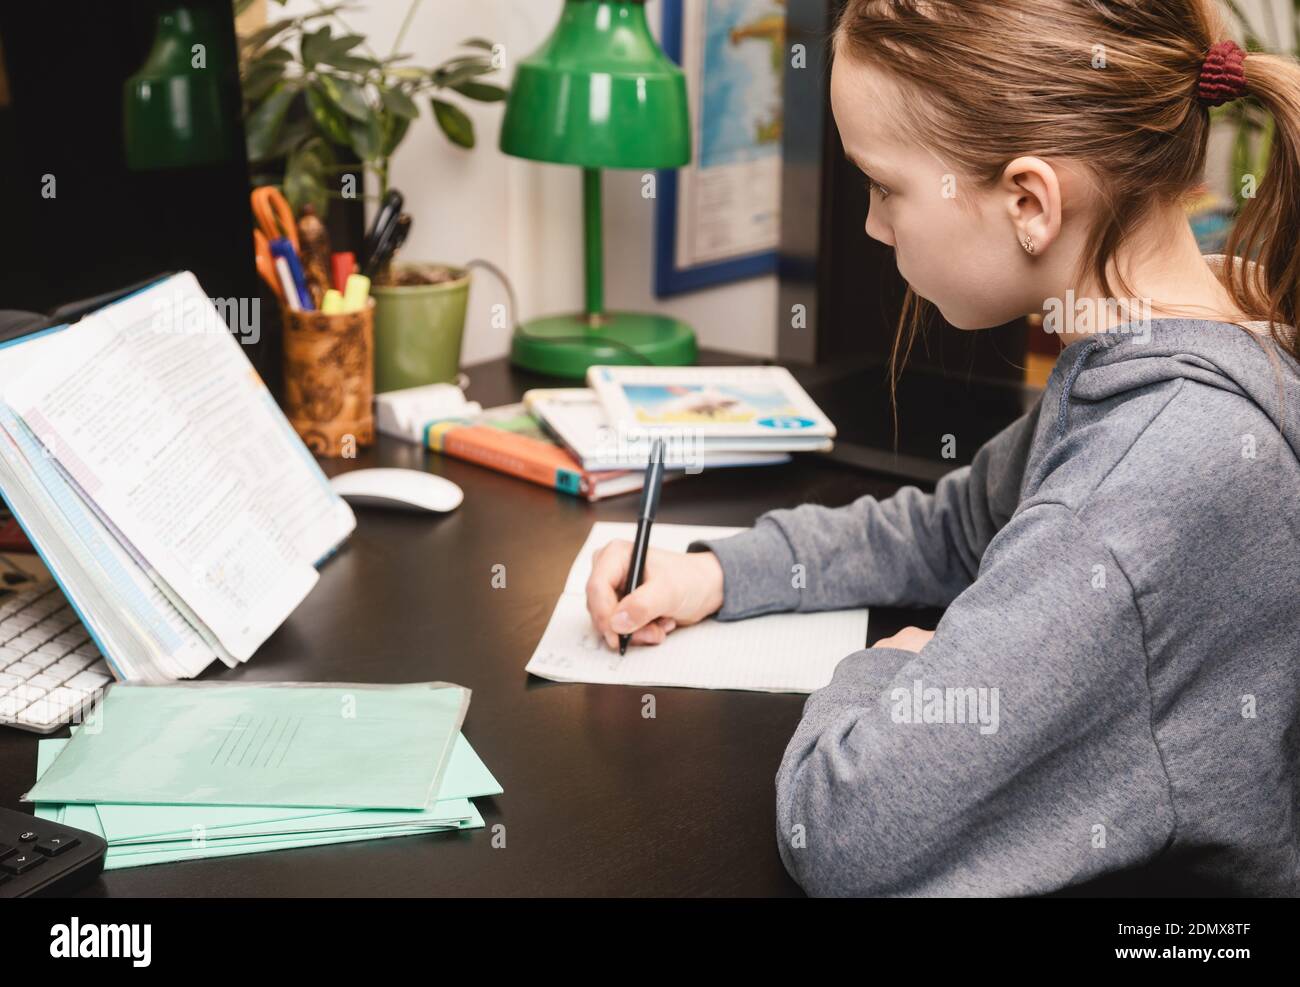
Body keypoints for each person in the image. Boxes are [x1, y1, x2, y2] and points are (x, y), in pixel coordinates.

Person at [585, 0, 1300, 896]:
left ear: (1031, 202)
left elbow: (843, 830)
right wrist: (723, 571)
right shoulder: (1160, 346)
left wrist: (887, 670)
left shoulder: (1146, 477)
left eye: (885, 188)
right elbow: (960, 525)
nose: (874, 227)